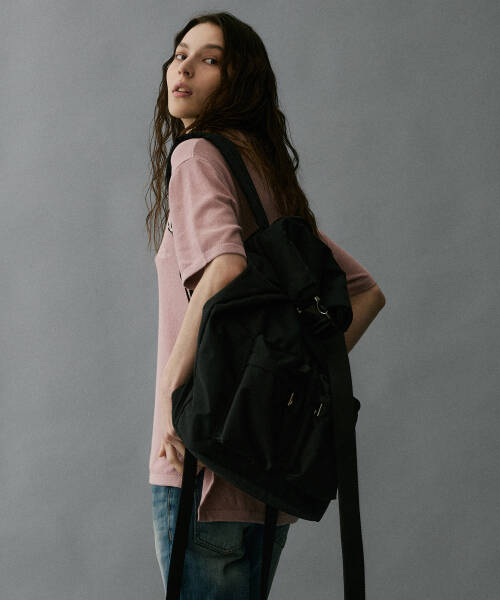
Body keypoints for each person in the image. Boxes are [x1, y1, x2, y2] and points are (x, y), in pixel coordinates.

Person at [144, 11, 386, 599]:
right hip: (265, 476)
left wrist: (174, 388)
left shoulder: (197, 157)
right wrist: (287, 373)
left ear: (240, 80)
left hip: (202, 464)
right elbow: (365, 291)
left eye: (210, 59)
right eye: (180, 54)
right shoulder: (260, 172)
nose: (184, 69)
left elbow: (224, 267)